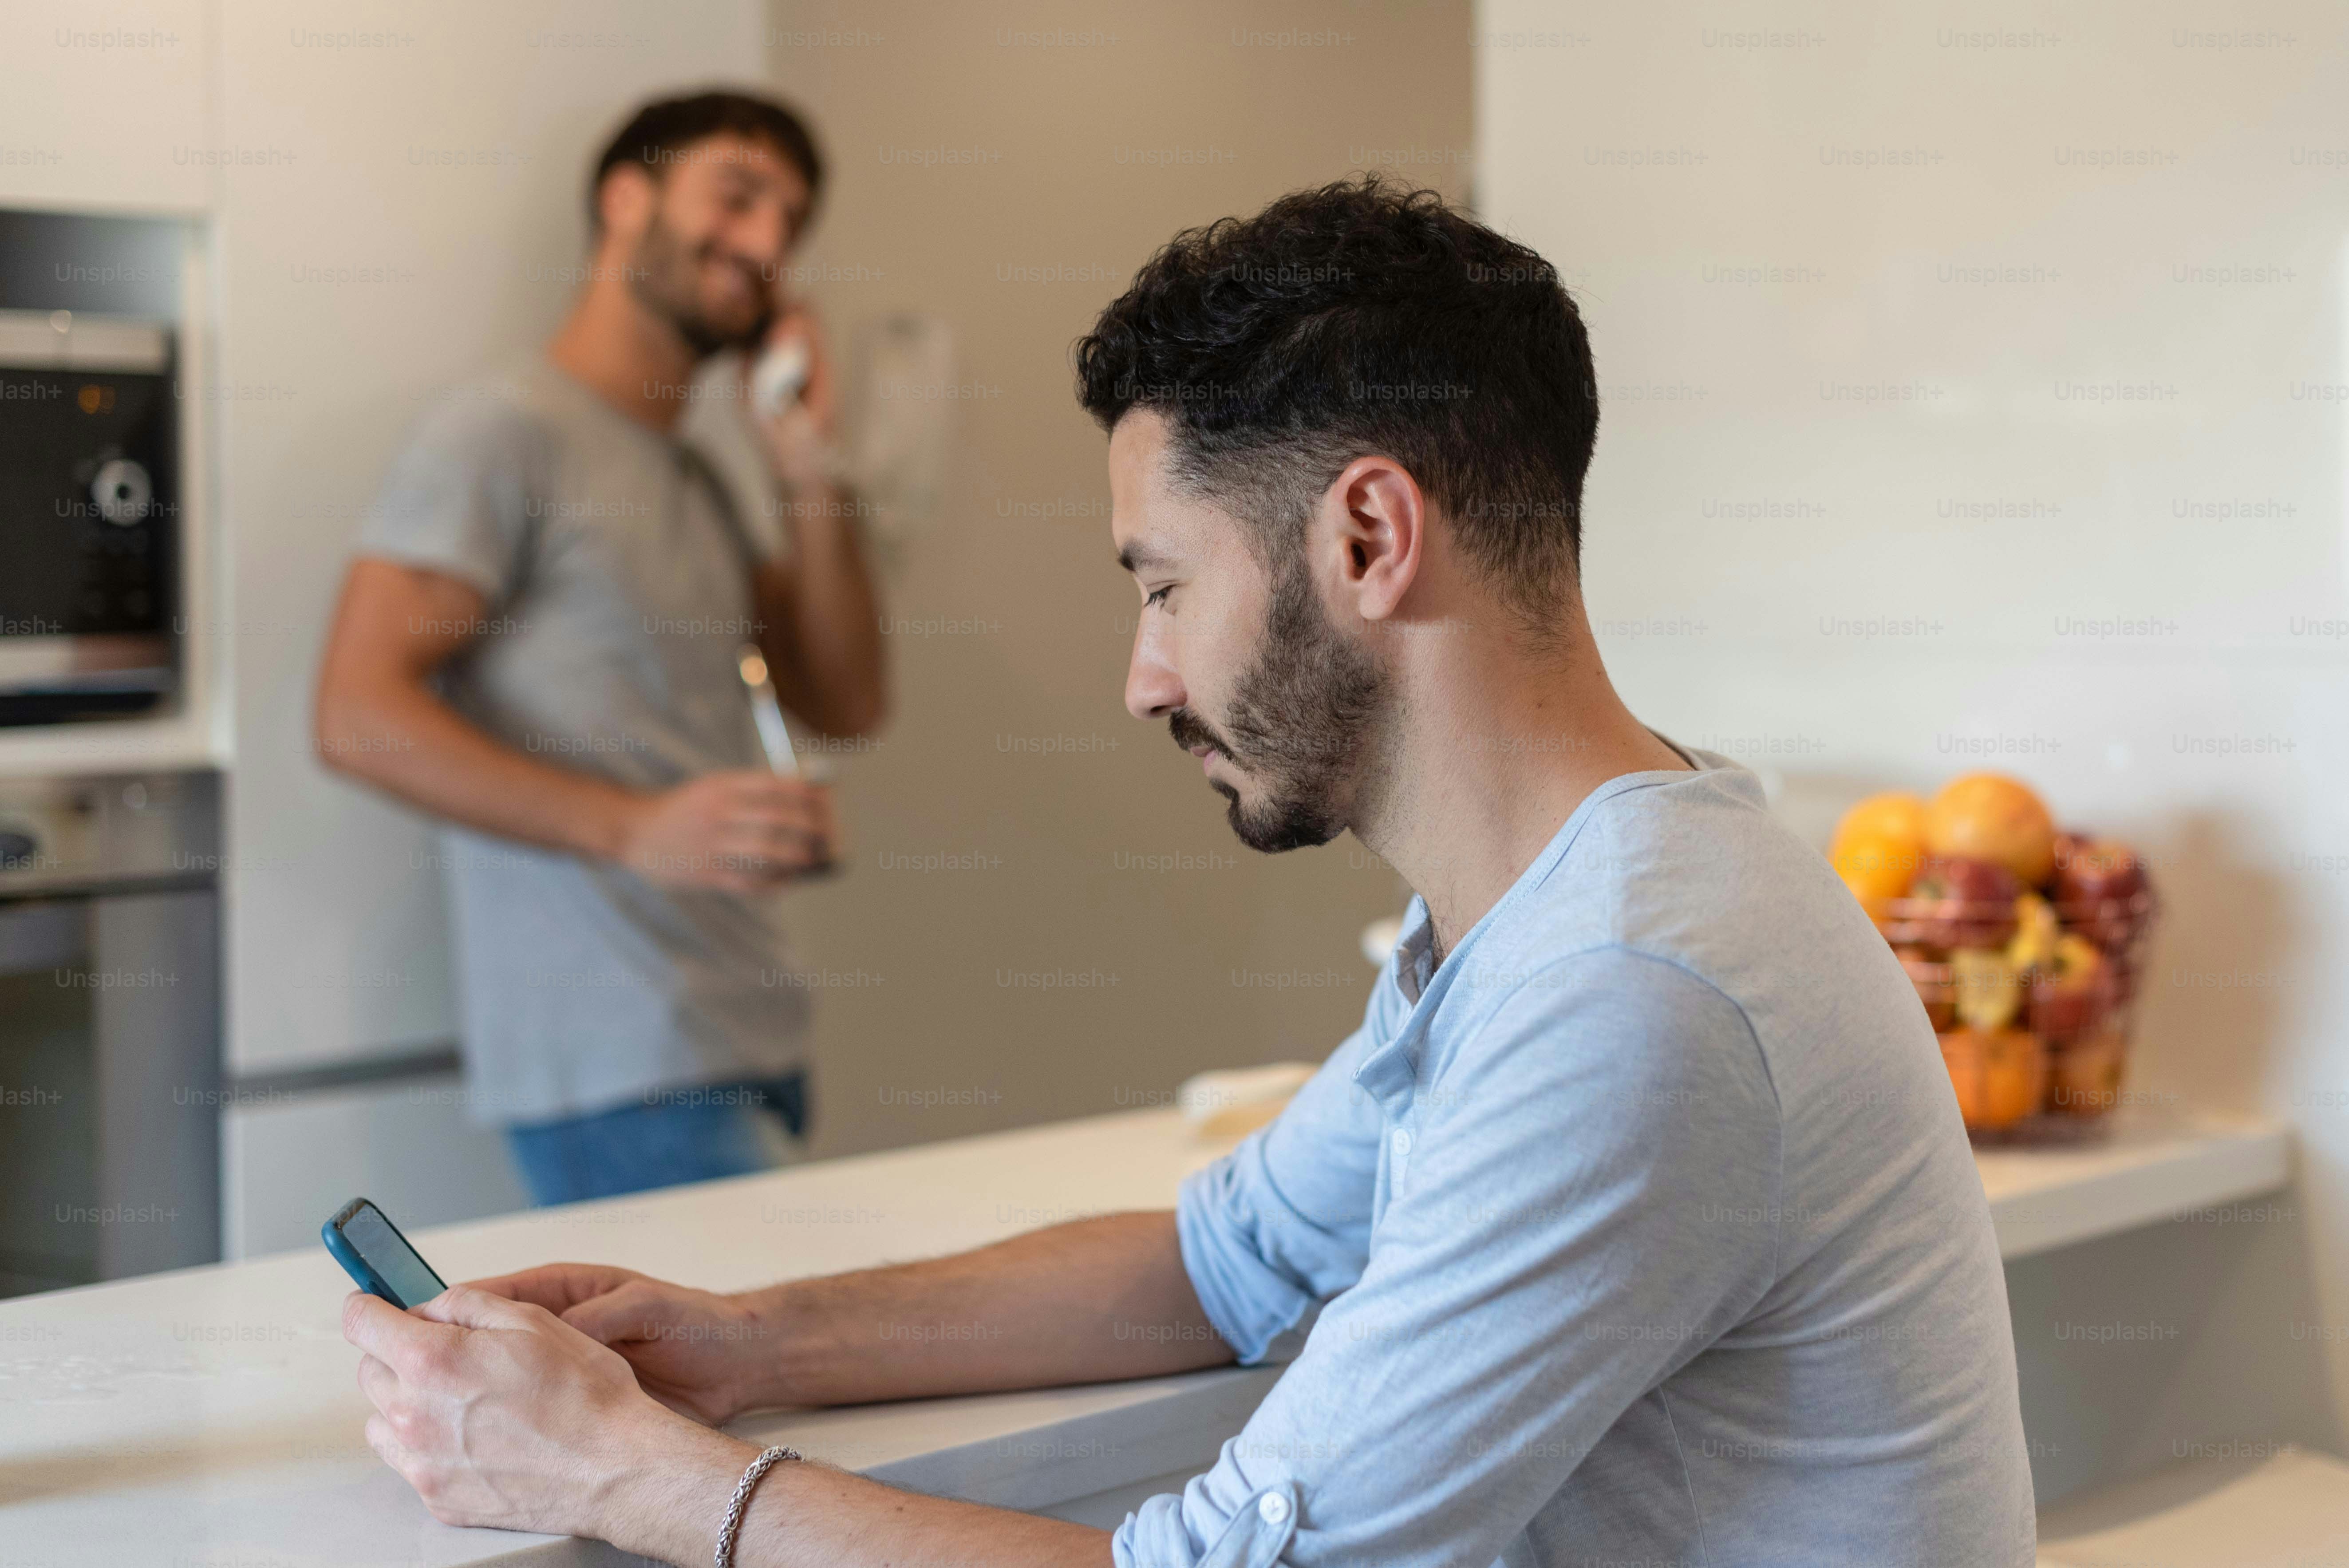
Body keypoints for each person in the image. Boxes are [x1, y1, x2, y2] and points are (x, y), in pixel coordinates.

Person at [340, 178, 2036, 1567]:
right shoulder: (1565, 909)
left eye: (1161, 586)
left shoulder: (1630, 994)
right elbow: (1219, 1263)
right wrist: (748, 1341)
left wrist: (624, 1476)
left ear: (1367, 538)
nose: (1143, 676)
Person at [314, 92, 885, 1205]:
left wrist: (806, 463)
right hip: (618, 1061)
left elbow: (847, 695)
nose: (767, 245)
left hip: (743, 1034)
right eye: (737, 195)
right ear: (625, 198)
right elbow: (353, 711)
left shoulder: (697, 475)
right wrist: (634, 827)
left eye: (790, 222)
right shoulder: (502, 433)